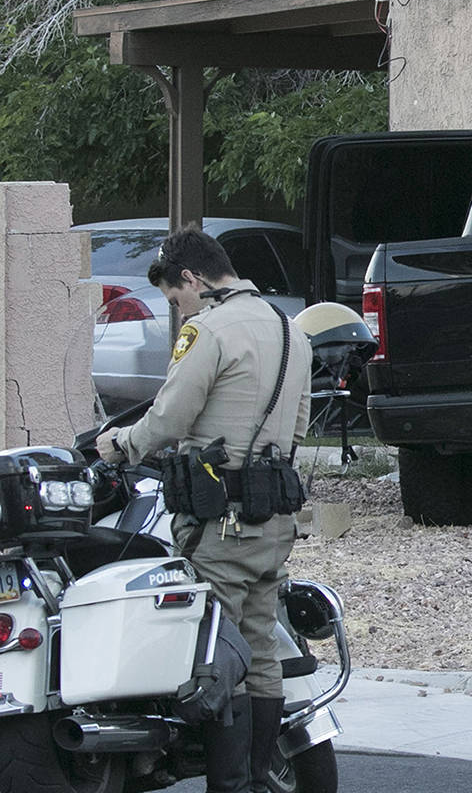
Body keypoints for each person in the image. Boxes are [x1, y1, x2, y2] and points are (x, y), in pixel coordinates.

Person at [97, 226, 312, 793]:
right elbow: (299, 426)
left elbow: (168, 419)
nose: (177, 309)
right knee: (262, 645)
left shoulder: (207, 331)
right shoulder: (291, 330)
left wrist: (119, 445)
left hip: (221, 522)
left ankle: (230, 784)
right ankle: (262, 776)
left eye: (174, 298)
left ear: (191, 278)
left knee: (221, 651)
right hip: (275, 518)